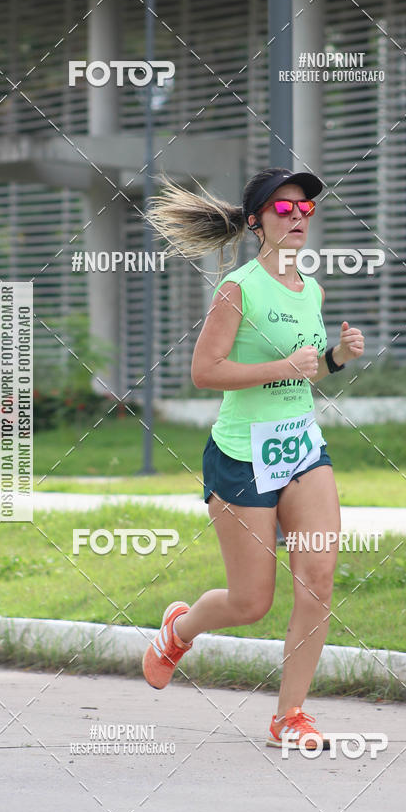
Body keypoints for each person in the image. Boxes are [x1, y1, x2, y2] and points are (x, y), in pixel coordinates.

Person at [141, 167, 364, 751]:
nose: (297, 219)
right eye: (283, 210)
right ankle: (177, 631)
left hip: (301, 448)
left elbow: (307, 369)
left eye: (305, 211)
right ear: (257, 221)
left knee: (317, 580)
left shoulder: (310, 288)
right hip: (241, 456)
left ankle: (290, 715)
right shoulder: (237, 287)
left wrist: (336, 357)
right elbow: (204, 372)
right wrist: (281, 367)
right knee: (251, 602)